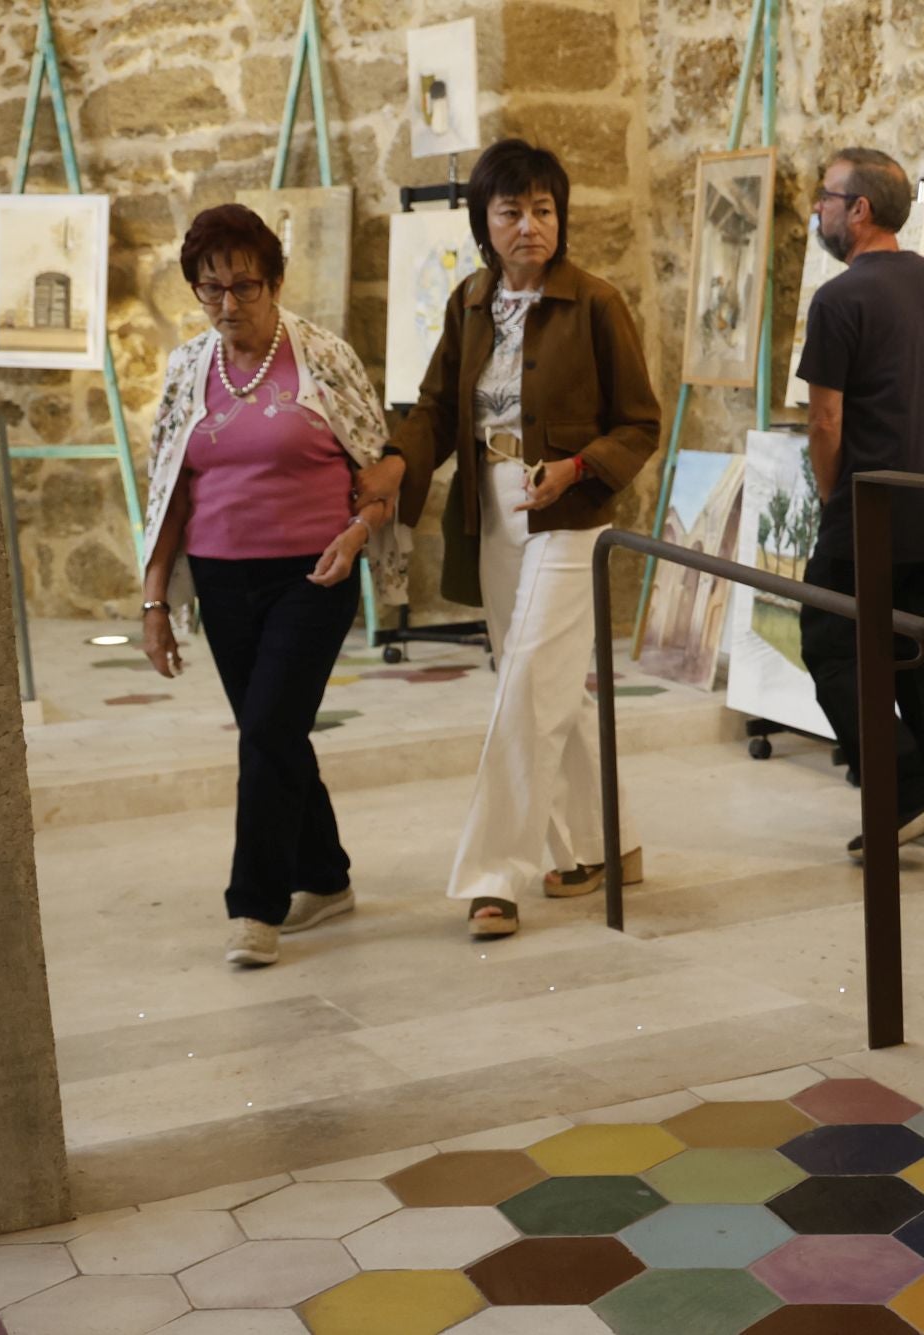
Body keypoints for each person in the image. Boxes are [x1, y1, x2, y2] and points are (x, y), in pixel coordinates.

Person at [355, 139, 661, 939]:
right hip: (490, 511)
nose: (530, 226)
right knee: (545, 684)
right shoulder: (468, 303)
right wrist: (395, 464)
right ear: (483, 223)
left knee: (529, 683)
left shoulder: (596, 303)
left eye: (544, 209)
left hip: (569, 512)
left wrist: (579, 467)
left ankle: (496, 876)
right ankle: (606, 842)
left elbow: (641, 421)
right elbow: (433, 414)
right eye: (512, 211)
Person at [139, 204, 408, 968]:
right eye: (210, 288)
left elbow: (379, 470)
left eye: (245, 287)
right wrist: (157, 602)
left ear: (277, 281)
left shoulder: (323, 356)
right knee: (277, 734)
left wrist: (357, 535)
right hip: (222, 580)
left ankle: (254, 906)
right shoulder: (188, 368)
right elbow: (168, 492)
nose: (228, 305)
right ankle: (325, 876)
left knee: (264, 733)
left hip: (312, 573)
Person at [797, 147, 924, 858]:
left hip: (871, 510)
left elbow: (826, 421)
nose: (817, 209)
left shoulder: (839, 299)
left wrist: (831, 496)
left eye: (826, 196)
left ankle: (910, 789)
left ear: (860, 209)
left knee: (827, 640)